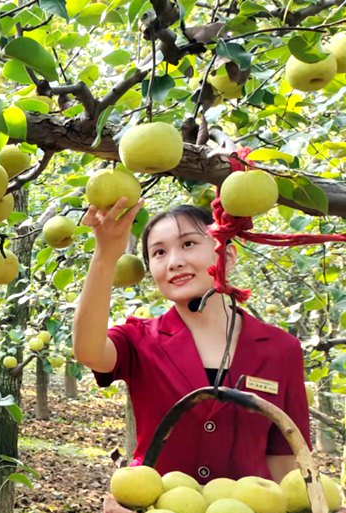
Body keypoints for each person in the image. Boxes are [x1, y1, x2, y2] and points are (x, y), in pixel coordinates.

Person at [72, 199, 310, 484]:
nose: (174, 262)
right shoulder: (140, 339)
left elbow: (285, 455)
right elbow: (88, 350)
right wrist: (106, 254)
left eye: (188, 244)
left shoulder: (279, 348)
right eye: (159, 252)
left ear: (227, 255)